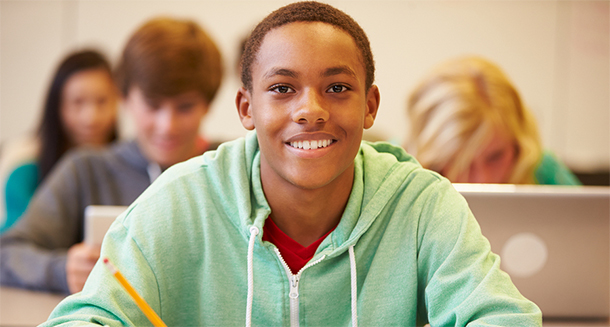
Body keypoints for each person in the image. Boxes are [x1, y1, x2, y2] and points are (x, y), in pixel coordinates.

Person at [43, 2, 541, 326]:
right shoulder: (181, 200)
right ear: (246, 109)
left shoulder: (422, 204)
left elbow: (502, 317)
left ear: (370, 106)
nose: (310, 109)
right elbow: (85, 317)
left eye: (338, 88)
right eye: (282, 89)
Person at [0, 16, 223, 294]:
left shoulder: (231, 167)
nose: (168, 126)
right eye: (152, 105)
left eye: (185, 107)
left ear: (208, 103)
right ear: (125, 96)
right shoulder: (86, 169)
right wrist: (62, 269)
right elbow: (6, 252)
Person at [404, 55, 581, 185]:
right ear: (431, 159)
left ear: (518, 146)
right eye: (461, 162)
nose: (483, 180)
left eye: (495, 157)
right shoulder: (391, 170)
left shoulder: (541, 169)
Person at [0, 50, 118, 234]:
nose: (91, 118)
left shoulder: (133, 166)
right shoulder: (24, 170)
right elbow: (12, 248)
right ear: (58, 106)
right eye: (78, 102)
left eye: (102, 101)